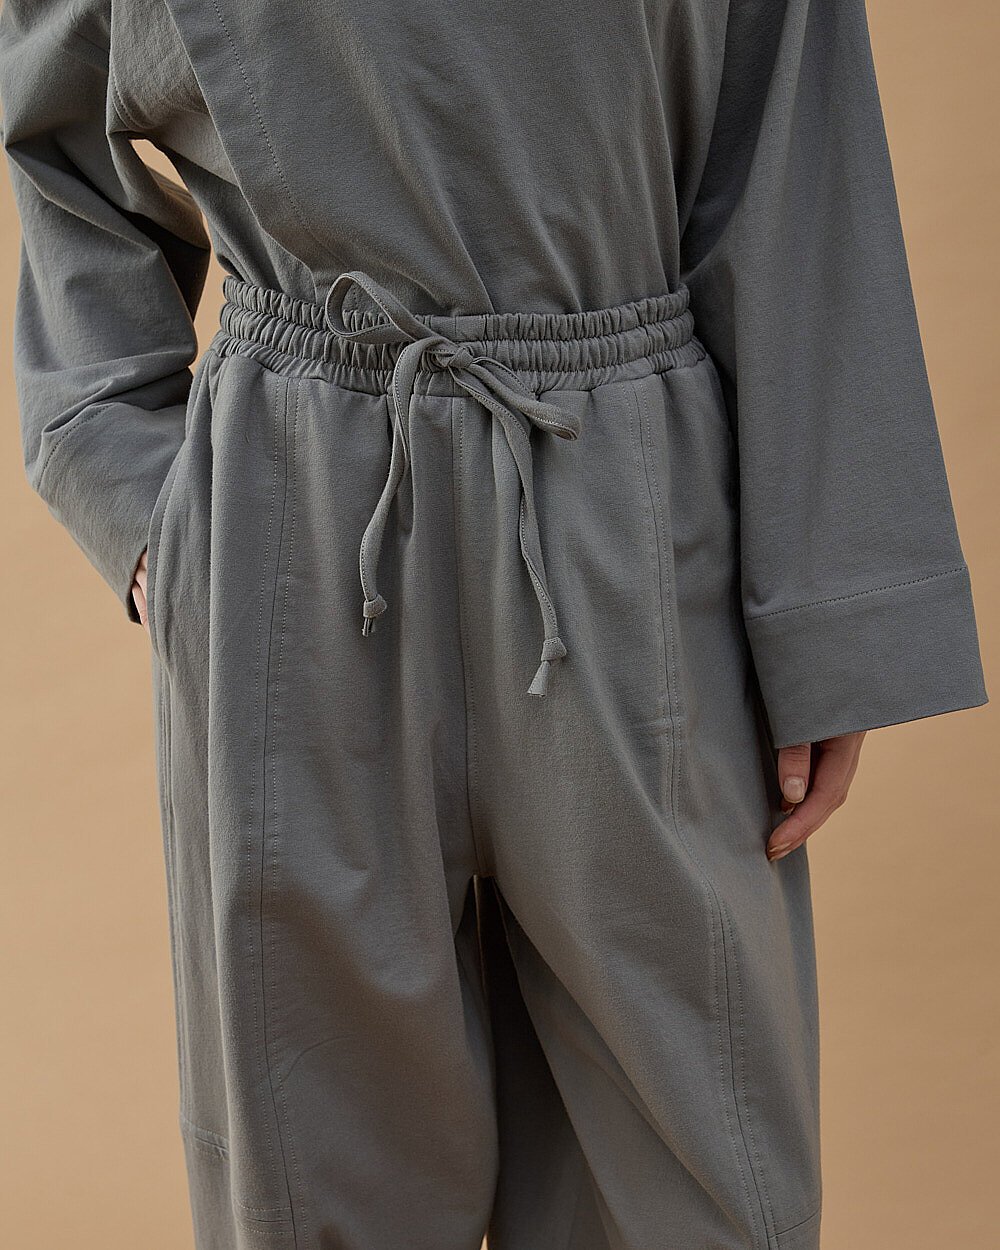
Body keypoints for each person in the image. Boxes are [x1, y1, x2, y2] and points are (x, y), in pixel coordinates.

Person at [0, 1, 988, 1248]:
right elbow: (52, 111)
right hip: (298, 521)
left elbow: (789, 120)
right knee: (320, 1176)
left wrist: (829, 611)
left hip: (627, 508)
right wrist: (138, 494)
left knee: (691, 1181)